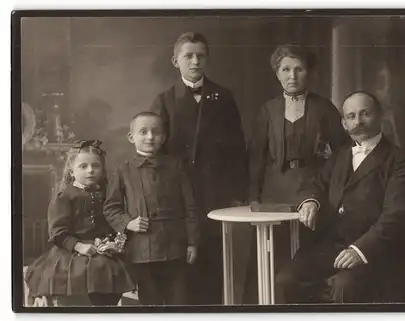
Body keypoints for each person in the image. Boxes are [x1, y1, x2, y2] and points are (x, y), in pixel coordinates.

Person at [276, 91, 405, 303]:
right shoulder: (340, 155)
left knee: (345, 287)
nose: (358, 122)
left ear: (380, 116)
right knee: (285, 280)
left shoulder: (400, 161)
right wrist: (310, 201)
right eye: (351, 117)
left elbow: (396, 216)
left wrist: (360, 249)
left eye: (365, 114)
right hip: (332, 247)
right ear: (344, 124)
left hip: (376, 252)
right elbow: (315, 184)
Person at [244, 44, 348, 303]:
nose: (292, 75)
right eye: (286, 69)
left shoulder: (325, 108)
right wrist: (253, 196)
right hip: (273, 191)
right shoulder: (268, 110)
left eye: (299, 69)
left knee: (305, 256)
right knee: (271, 253)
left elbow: (343, 154)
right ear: (277, 74)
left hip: (314, 190)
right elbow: (256, 156)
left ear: (309, 73)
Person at [150, 32, 247, 305]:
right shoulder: (164, 100)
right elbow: (154, 150)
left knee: (214, 258)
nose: (195, 61)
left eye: (200, 56)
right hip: (178, 195)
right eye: (188, 56)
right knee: (183, 261)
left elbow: (237, 149)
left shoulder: (223, 97)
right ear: (175, 61)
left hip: (216, 191)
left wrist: (238, 190)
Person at [103, 112, 199, 306]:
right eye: (143, 132)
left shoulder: (176, 166)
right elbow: (111, 208)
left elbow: (190, 206)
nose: (150, 137)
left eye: (156, 132)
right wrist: (128, 223)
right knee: (150, 302)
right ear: (132, 137)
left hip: (174, 247)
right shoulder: (123, 170)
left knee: (179, 301)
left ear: (163, 137)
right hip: (142, 250)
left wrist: (192, 242)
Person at [24, 140, 135, 306]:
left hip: (102, 251)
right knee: (76, 287)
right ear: (72, 170)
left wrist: (112, 242)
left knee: (107, 281)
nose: (90, 170)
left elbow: (111, 221)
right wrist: (79, 246)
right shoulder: (65, 196)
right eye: (83, 166)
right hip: (71, 253)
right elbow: (57, 232)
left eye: (95, 166)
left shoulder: (106, 194)